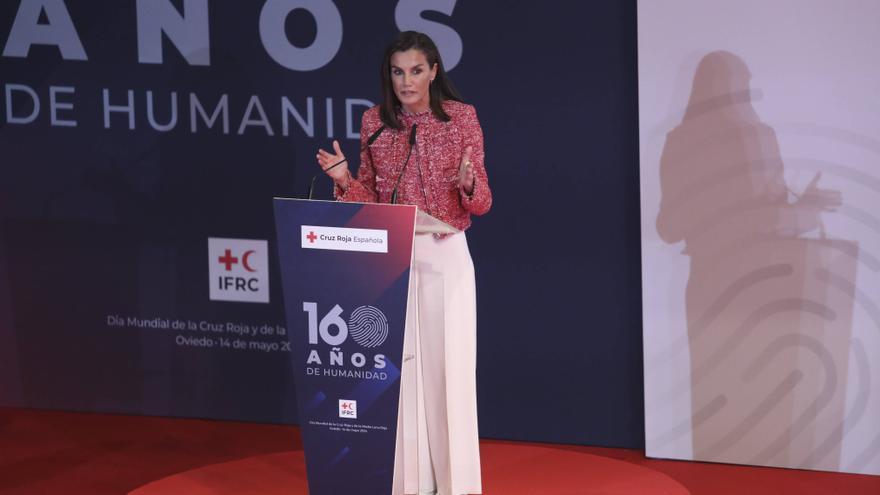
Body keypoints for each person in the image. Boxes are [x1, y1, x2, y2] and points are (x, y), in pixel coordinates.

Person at [315, 31, 490, 495]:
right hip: (393, 256)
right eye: (397, 72)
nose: (406, 82)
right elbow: (370, 198)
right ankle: (407, 485)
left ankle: (457, 488)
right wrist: (344, 179)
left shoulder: (461, 119)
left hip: (445, 254)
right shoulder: (374, 121)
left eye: (415, 70)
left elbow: (483, 202)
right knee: (400, 374)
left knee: (448, 374)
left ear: (434, 71)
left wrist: (469, 184)